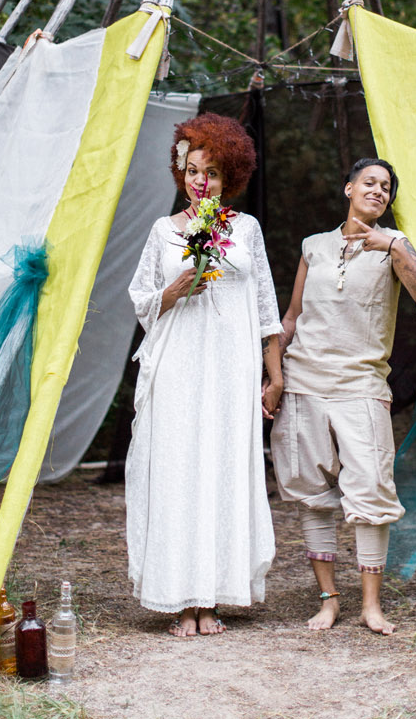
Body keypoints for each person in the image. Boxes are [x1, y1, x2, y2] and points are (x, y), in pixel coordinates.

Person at [125, 113, 284, 637]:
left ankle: (212, 596)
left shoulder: (246, 229)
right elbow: (141, 299)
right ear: (182, 173)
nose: (201, 181)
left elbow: (264, 304)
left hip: (228, 368)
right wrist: (172, 293)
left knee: (221, 469)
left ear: (228, 176)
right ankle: (179, 598)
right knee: (177, 469)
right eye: (194, 170)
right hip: (177, 367)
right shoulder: (162, 232)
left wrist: (272, 371)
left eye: (212, 172)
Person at [275, 157, 416, 635]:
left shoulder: (394, 247)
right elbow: (291, 317)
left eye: (386, 186)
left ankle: (371, 605)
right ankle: (328, 600)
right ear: (348, 188)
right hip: (304, 381)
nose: (378, 190)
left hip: (361, 386)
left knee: (370, 490)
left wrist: (394, 243)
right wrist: (270, 374)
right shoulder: (314, 247)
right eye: (369, 182)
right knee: (312, 495)